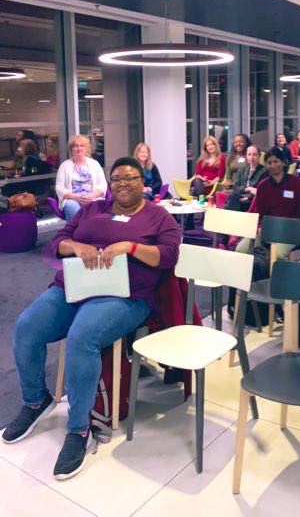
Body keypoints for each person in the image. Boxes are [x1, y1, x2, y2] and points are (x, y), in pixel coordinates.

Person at [2, 156, 180, 480]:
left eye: (130, 178)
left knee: (82, 337)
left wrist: (130, 247)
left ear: (142, 182)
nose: (123, 184)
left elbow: (169, 256)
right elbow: (58, 242)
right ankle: (36, 401)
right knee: (27, 327)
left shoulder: (158, 216)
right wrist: (76, 246)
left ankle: (79, 429)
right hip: (73, 287)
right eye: (117, 179)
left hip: (125, 296)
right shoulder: (92, 209)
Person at [236, 148, 300, 259]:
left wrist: (285, 228)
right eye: (269, 163)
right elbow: (259, 212)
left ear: (282, 162)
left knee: (278, 254)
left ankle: (280, 271)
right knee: (240, 250)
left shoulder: (295, 182)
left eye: (276, 161)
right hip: (267, 230)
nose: (273, 165)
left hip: (290, 230)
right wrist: (260, 227)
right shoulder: (263, 186)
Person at [55, 135, 107, 220]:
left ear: (86, 148)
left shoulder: (94, 164)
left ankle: (91, 228)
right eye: (76, 146)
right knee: (72, 207)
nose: (79, 148)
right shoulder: (64, 166)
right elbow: (59, 187)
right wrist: (76, 197)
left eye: (82, 146)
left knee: (94, 208)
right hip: (72, 199)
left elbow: (102, 184)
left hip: (92, 197)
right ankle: (74, 228)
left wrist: (92, 196)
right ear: (71, 149)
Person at [225, 145, 267, 212]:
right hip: (239, 197)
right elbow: (236, 186)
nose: (252, 157)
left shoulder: (264, 171)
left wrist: (248, 197)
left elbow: (261, 191)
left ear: (259, 156)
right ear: (246, 156)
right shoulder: (242, 170)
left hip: (252, 201)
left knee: (231, 200)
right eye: (249, 155)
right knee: (233, 196)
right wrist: (248, 189)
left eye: (255, 155)